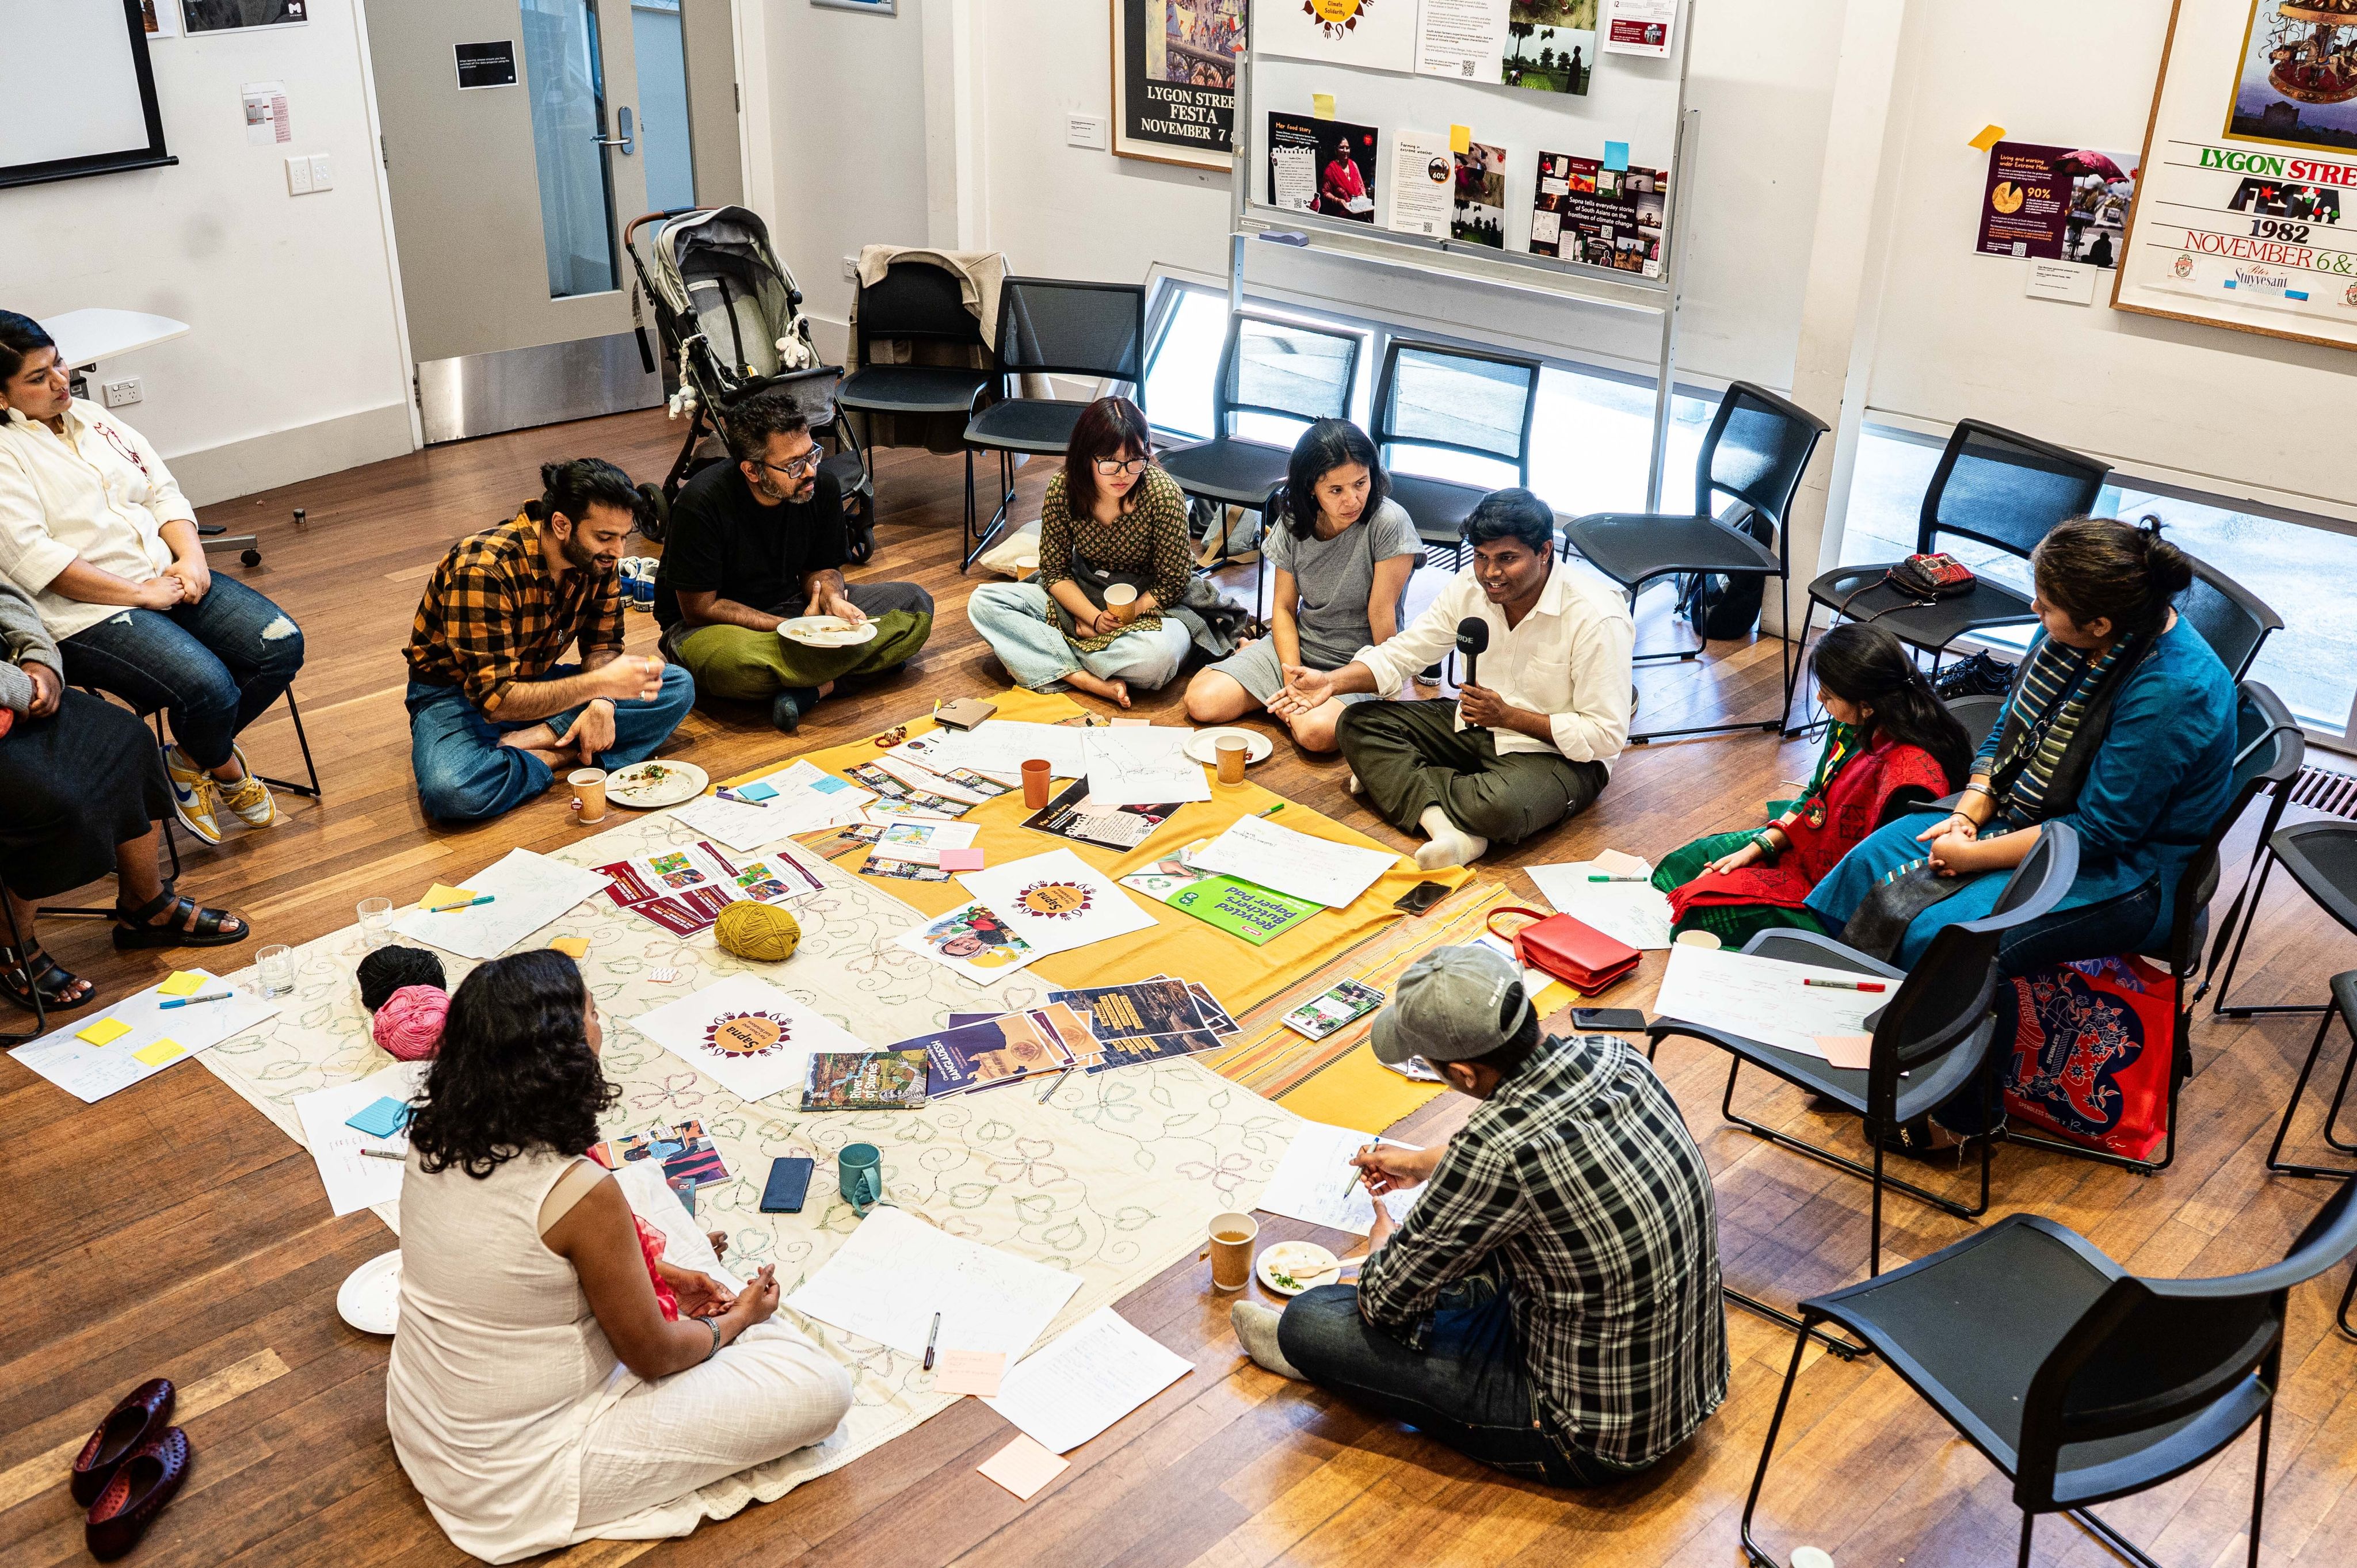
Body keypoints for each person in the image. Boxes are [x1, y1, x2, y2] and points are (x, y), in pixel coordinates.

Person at [389, 951, 852, 1563]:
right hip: (514, 1477)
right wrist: (738, 1320)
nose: (600, 1021)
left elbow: (513, 1252)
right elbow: (655, 1355)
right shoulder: (579, 1193)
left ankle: (668, 1272)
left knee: (636, 1187)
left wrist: (655, 1271)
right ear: (561, 1056)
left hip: (425, 1420)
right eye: (590, 1011)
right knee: (821, 1389)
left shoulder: (432, 1136)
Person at [1230, 944, 1726, 1486]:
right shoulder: (1616, 1055)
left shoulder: (1491, 1152)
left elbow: (1381, 1301)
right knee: (1470, 1266)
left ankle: (1332, 1365)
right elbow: (1547, 1147)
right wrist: (1425, 1164)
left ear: (1464, 1073)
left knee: (1314, 1320)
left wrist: (1383, 1243)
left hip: (1586, 1437)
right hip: (1688, 1382)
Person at [1807, 516, 2236, 979]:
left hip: (2129, 867)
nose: (2035, 608)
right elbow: (2009, 730)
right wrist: (1968, 812)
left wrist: (1971, 856)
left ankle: (1913, 1041)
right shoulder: (2070, 630)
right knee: (1864, 866)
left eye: (2047, 605)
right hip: (2031, 808)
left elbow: (2099, 832)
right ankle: (1840, 1003)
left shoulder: (2173, 691)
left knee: (1943, 935)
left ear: (2100, 624)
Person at [0, 310, 305, 846]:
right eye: (36, 377)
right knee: (208, 687)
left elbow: (162, 490)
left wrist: (192, 558)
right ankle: (225, 767)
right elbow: (35, 559)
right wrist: (142, 594)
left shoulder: (93, 416)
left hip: (163, 574)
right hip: (87, 611)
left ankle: (188, 760)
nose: (59, 381)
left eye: (59, 363)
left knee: (279, 645)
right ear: (0, 397)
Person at [1287, 489, 1634, 869]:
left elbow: (1605, 735)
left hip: (1559, 754)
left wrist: (1509, 717)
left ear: (1545, 551)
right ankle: (1448, 830)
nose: (1491, 573)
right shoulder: (1472, 586)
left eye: (1507, 559)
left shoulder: (1597, 617)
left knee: (1500, 810)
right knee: (1356, 724)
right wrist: (1332, 682)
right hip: (1478, 724)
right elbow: (1408, 650)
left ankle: (1400, 784)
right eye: (1481, 557)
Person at [1, 578, 247, 1012]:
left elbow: (5, 597)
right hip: (11, 693)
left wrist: (41, 660)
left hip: (15, 692)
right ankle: (8, 945)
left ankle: (144, 903)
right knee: (51, 798)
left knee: (131, 743)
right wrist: (27, 688)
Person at [403, 460, 695, 824]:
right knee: (453, 791)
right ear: (561, 525)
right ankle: (558, 754)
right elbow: (496, 701)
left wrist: (602, 703)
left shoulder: (599, 562)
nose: (619, 551)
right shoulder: (482, 569)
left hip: (535, 680)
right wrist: (599, 687)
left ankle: (546, 738)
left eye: (624, 536)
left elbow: (603, 645)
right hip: (456, 694)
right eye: (605, 537)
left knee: (676, 685)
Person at [1653, 621, 1971, 947]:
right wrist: (1759, 847)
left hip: (1835, 896)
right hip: (1806, 843)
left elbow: (1877, 882)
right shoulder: (1854, 722)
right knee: (1689, 861)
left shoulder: (1910, 779)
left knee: (1696, 913)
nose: (1820, 698)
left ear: (1868, 703)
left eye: (1830, 695)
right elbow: (1815, 795)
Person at [654, 388, 933, 733]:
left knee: (914, 604)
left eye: (812, 455)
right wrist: (791, 630)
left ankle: (813, 689)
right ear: (752, 471)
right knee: (737, 667)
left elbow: (822, 568)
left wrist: (831, 599)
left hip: (797, 608)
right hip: (713, 628)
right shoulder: (701, 502)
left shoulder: (821, 487)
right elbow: (698, 608)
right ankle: (843, 669)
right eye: (794, 465)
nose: (810, 471)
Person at [1183, 419, 1419, 753]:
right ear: (1311, 488)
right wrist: (1292, 677)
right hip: (1301, 646)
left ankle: (1282, 704)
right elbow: (1282, 608)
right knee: (1201, 701)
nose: (1352, 500)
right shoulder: (1296, 520)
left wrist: (1388, 691)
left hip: (1357, 663)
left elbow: (1382, 617)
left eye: (1361, 483)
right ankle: (1285, 698)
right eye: (1336, 490)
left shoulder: (1389, 523)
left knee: (1316, 734)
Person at [966, 396, 1193, 708]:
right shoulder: (1064, 487)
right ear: (1086, 455)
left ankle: (1038, 656)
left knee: (1158, 660)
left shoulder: (1163, 494)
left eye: (1135, 460)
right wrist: (1093, 619)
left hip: (1149, 603)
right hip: (1083, 593)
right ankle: (1084, 679)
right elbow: (1055, 570)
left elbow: (1173, 581)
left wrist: (1126, 616)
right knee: (983, 603)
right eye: (1110, 462)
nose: (1123, 474)